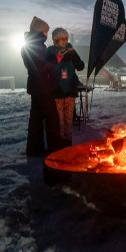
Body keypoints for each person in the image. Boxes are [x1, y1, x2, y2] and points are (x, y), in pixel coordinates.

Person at [21, 16, 61, 156]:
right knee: (51, 118)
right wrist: (54, 59)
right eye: (45, 32)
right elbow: (41, 66)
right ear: (39, 31)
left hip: (36, 86)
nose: (46, 34)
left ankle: (34, 149)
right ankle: (55, 150)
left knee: (36, 119)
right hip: (43, 87)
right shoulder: (36, 46)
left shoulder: (29, 44)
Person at [47, 27, 85, 146]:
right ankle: (59, 145)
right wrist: (58, 59)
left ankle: (67, 144)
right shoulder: (50, 51)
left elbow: (80, 66)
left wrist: (75, 59)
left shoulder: (71, 51)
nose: (64, 40)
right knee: (59, 120)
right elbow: (46, 68)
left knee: (68, 120)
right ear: (55, 40)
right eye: (61, 38)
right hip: (57, 90)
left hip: (70, 89)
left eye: (66, 38)